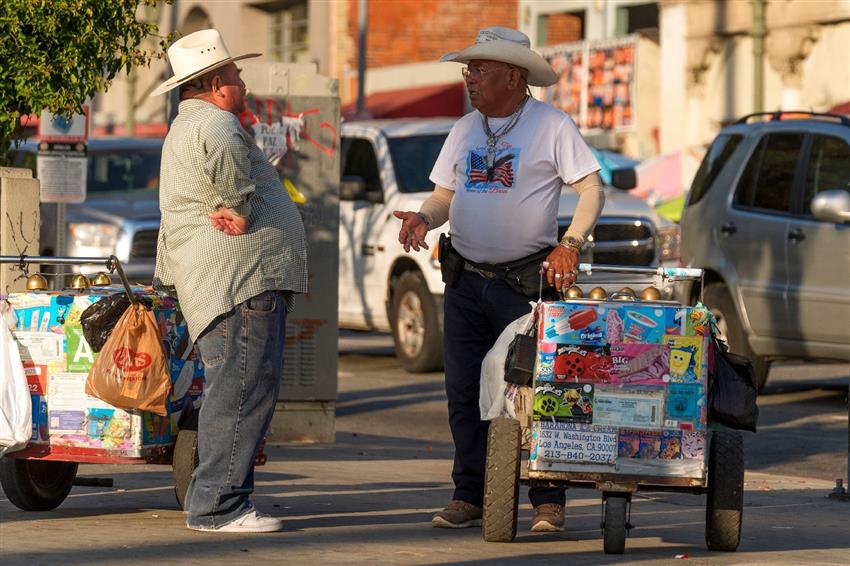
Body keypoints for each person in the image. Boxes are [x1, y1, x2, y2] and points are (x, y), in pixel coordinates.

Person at [394, 26, 605, 533]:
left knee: (538, 390)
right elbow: (445, 195)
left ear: (513, 76)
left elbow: (591, 190)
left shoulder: (551, 125)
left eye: (479, 69)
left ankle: (547, 498)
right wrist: (424, 217)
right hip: (466, 279)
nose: (469, 78)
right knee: (464, 390)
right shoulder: (465, 129)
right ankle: (471, 493)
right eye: (469, 69)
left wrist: (570, 244)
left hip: (526, 284)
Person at [151, 29, 308, 533]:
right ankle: (220, 506)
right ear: (218, 83)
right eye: (237, 75)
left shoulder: (187, 125)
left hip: (227, 283)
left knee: (234, 389)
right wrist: (239, 210)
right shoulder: (217, 125)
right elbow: (232, 191)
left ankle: (217, 500)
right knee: (242, 391)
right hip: (239, 283)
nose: (243, 83)